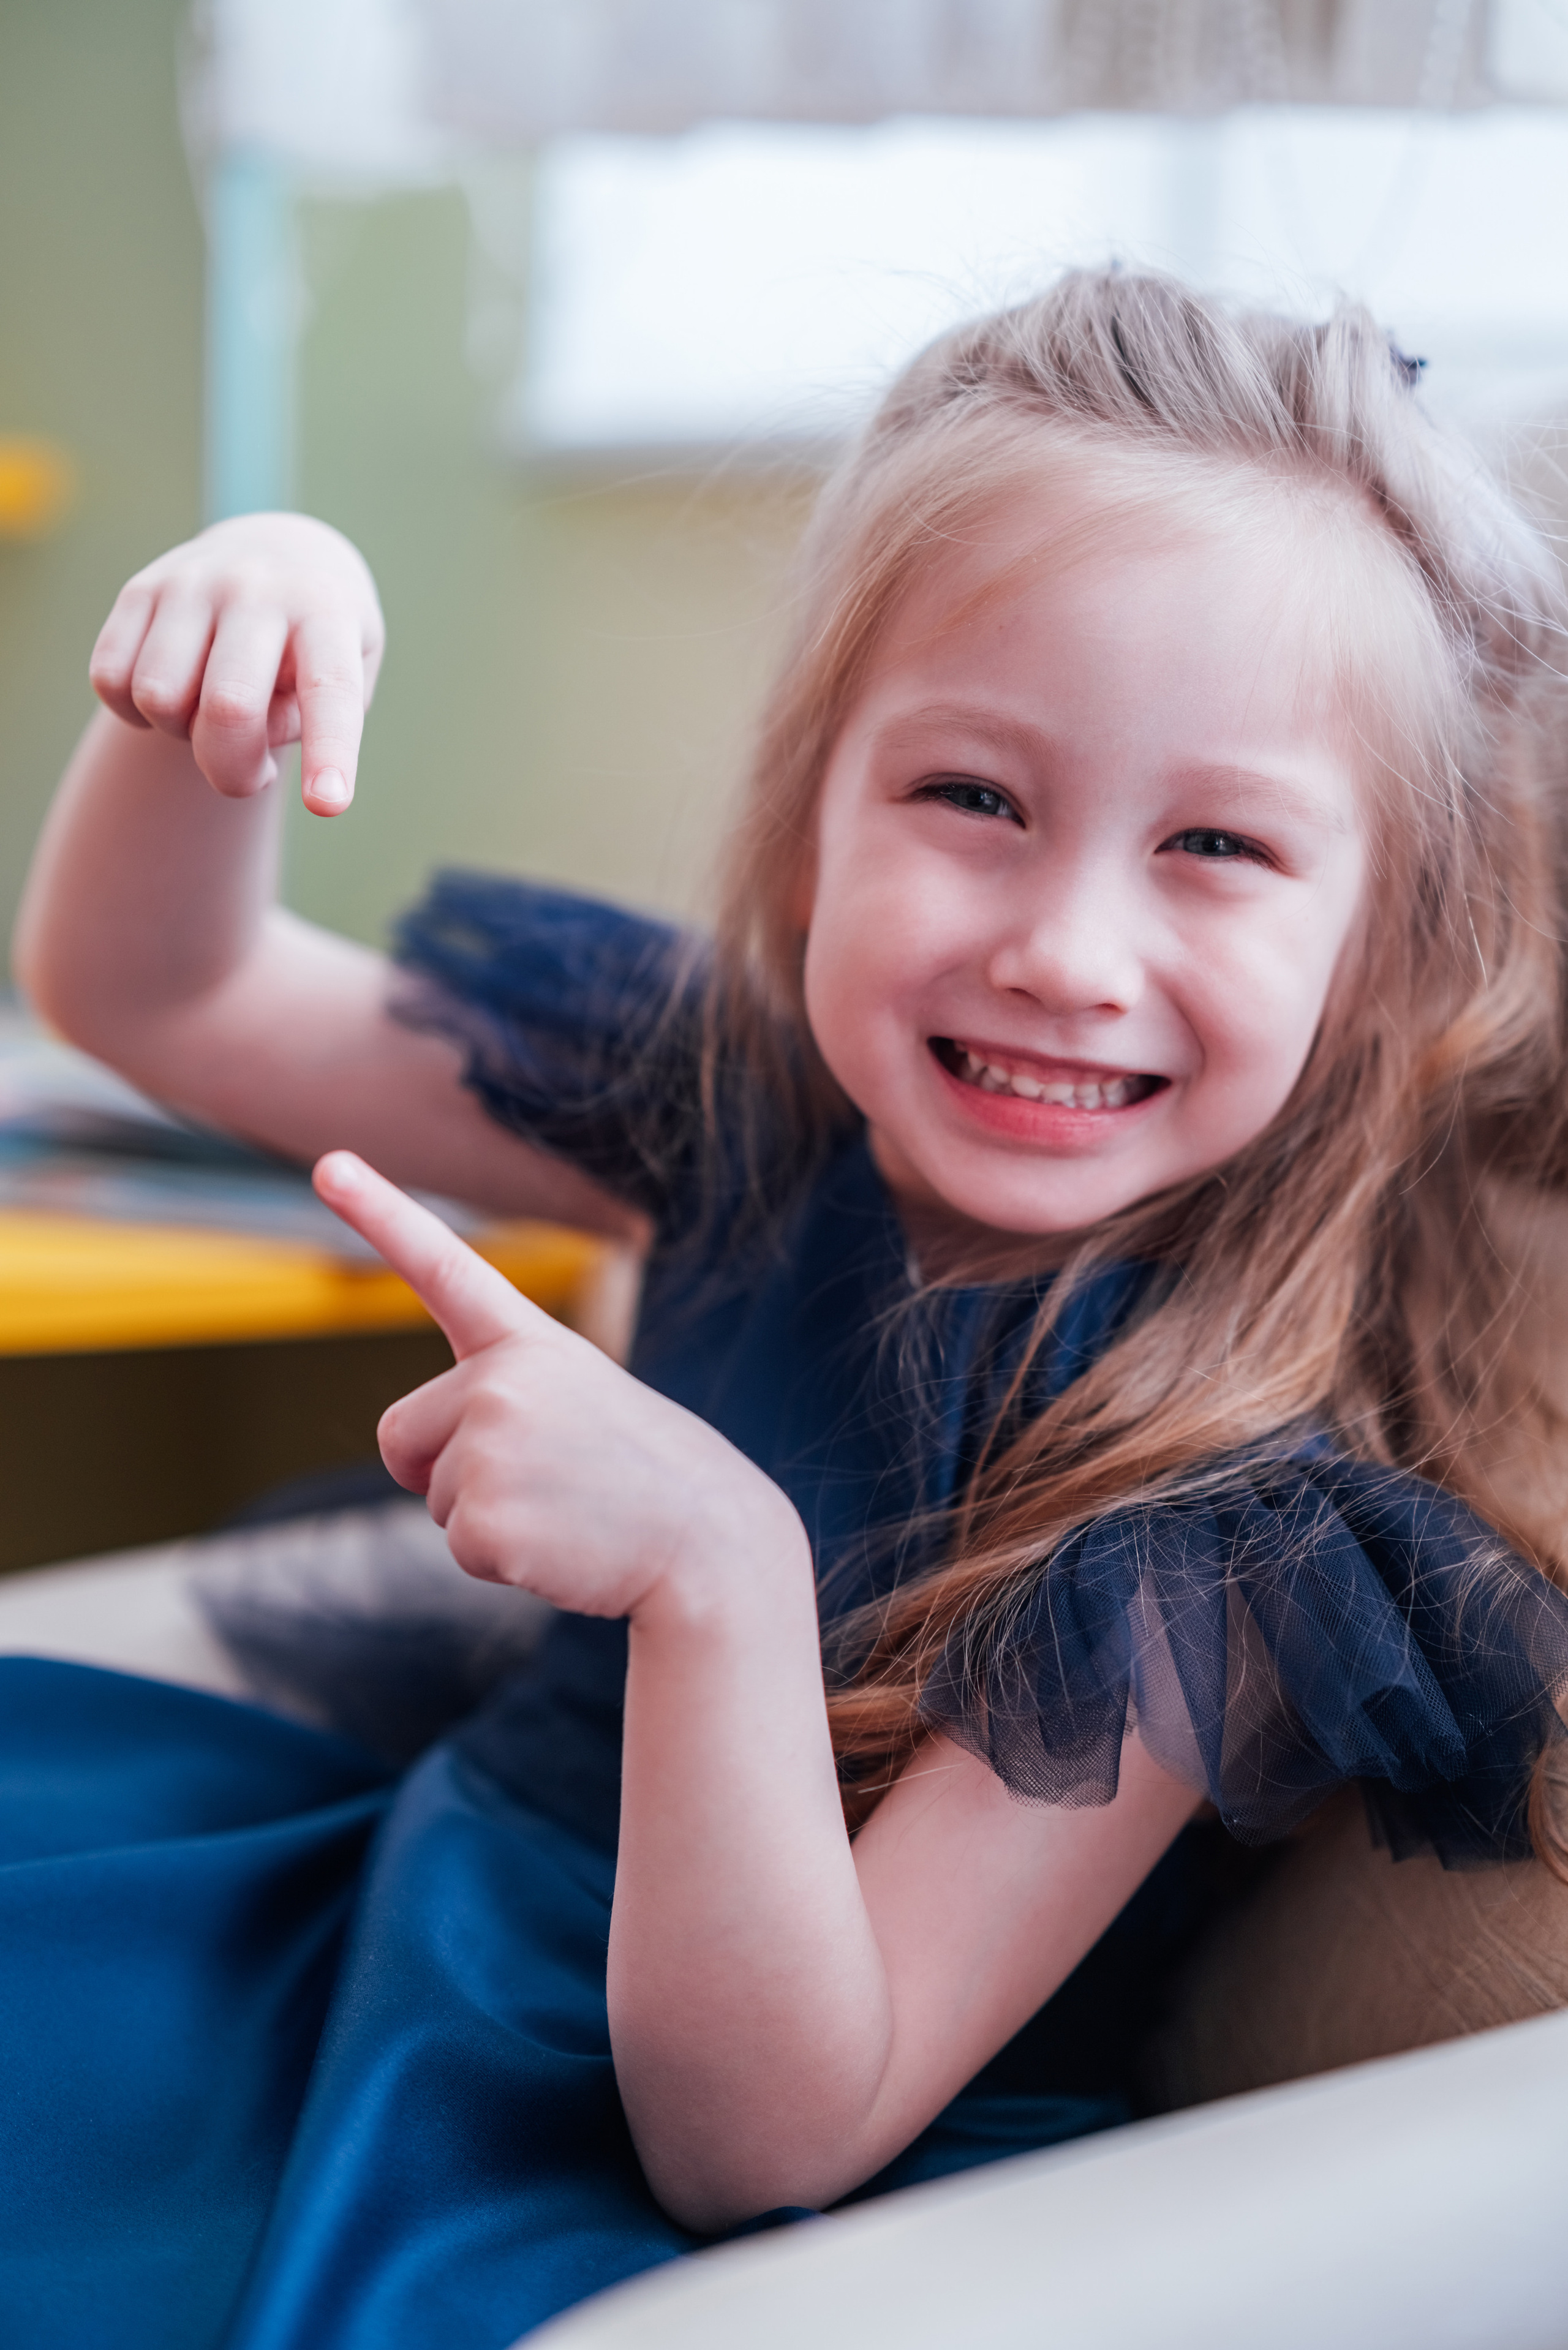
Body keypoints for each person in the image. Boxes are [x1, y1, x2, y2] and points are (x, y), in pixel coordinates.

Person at [9, 268, 1568, 2350]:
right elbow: (160, 997)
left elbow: (768, 2136)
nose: (1066, 952)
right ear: (814, 820)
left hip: (635, 2156)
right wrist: (235, 656)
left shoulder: (1227, 1545)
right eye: (975, 800)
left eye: (1216, 845)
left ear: (1379, 954)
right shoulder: (744, 1102)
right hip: (370, 1918)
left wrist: (717, 1572)